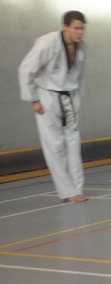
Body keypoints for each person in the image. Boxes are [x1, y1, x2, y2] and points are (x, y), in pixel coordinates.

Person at [17, 11, 88, 203]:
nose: (80, 32)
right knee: (54, 145)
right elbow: (25, 69)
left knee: (73, 142)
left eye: (82, 28)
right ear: (65, 26)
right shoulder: (47, 43)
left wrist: (77, 101)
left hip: (69, 97)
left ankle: (78, 188)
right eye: (76, 28)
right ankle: (67, 192)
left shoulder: (82, 47)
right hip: (47, 96)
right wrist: (34, 99)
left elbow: (80, 78)